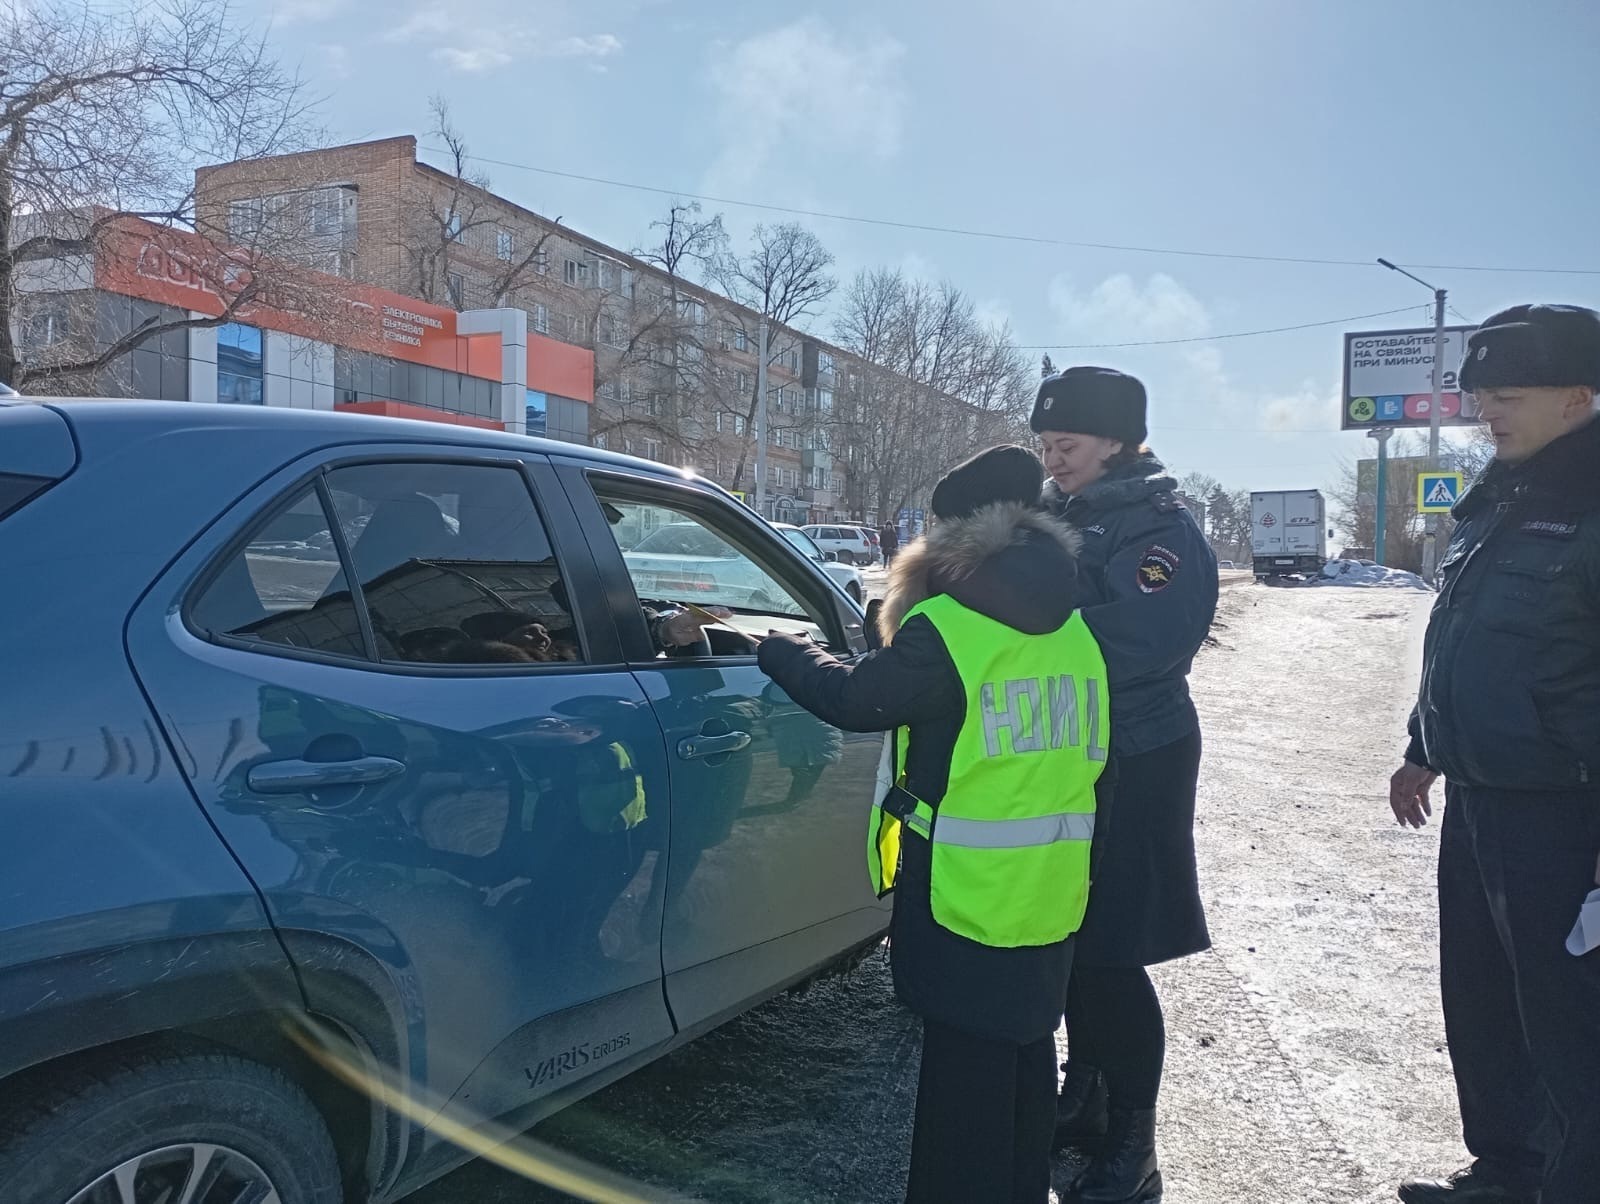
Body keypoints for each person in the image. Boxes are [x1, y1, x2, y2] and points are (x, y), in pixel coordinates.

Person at [756, 445, 1111, 1204]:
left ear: (952, 541)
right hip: (1048, 886)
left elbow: (858, 700)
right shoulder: (1075, 625)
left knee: (962, 1091)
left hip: (965, 889)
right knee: (1022, 1061)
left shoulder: (950, 625)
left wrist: (781, 649)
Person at [1390, 304, 1600, 1204]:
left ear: (1580, 397)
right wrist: (1421, 748)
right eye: (1482, 396)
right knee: (1482, 1005)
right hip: (1481, 798)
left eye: (1508, 395)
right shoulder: (1504, 495)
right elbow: (1463, 636)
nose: (1489, 414)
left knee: (1568, 1023)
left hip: (1565, 808)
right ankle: (1507, 1175)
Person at [1032, 367, 1216, 1204]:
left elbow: (1141, 639)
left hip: (1138, 755)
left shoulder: (1160, 529)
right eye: (1045, 443)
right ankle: (1089, 1095)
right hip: (1070, 754)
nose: (1053, 457)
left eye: (1066, 443)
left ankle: (1133, 1147)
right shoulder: (1058, 517)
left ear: (1115, 441)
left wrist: (1016, 645)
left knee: (1111, 950)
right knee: (1072, 938)